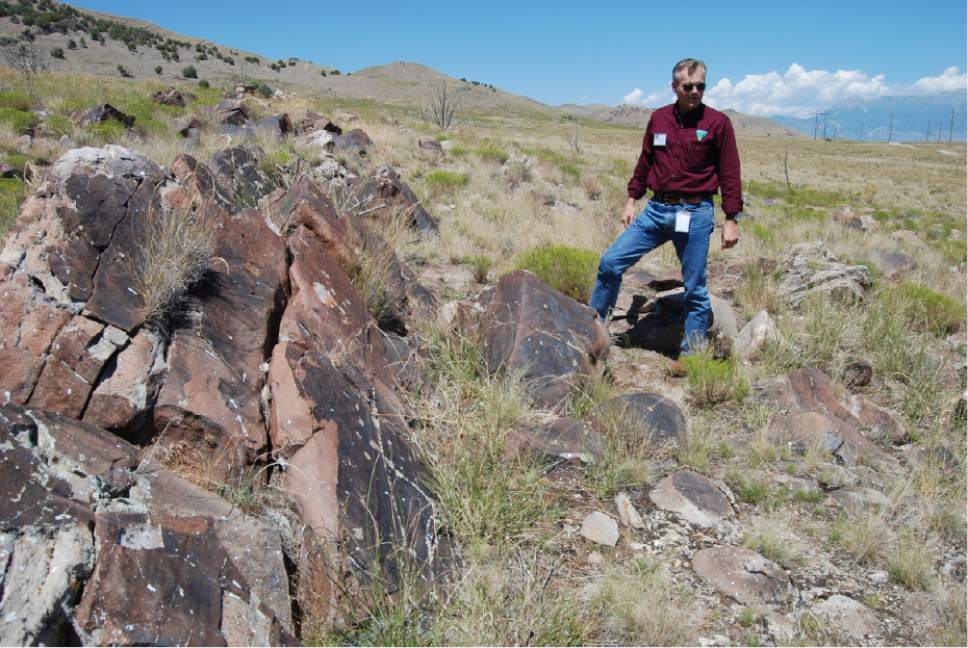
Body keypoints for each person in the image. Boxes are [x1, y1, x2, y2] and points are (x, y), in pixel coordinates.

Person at [589, 57, 743, 373]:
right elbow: (645, 162)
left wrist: (731, 218)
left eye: (701, 86)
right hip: (657, 210)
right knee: (610, 263)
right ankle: (591, 330)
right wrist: (632, 199)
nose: (695, 91)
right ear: (674, 87)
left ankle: (690, 358)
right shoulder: (659, 119)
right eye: (688, 86)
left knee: (696, 289)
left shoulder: (717, 123)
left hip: (695, 212)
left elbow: (730, 172)